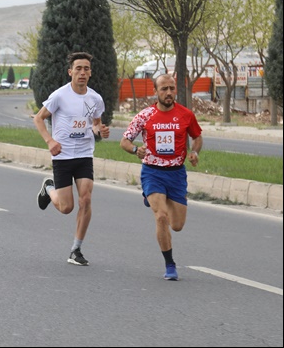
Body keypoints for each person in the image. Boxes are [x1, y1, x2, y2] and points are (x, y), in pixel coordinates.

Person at [120, 73, 203, 281]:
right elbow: (125, 141)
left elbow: (197, 137)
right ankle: (170, 264)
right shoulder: (145, 116)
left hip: (176, 174)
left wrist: (195, 153)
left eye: (172, 88)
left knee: (177, 225)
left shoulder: (186, 115)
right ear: (155, 92)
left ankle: (154, 197)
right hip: (152, 172)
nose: (168, 93)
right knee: (161, 217)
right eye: (164, 89)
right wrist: (135, 150)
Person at [33, 51, 110, 266]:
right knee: (66, 207)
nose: (82, 72)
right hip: (63, 156)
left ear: (90, 73)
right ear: (70, 72)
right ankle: (49, 187)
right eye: (78, 68)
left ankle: (76, 249)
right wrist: (50, 141)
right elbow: (39, 119)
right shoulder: (59, 95)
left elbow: (95, 123)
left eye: (86, 69)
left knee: (85, 199)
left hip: (85, 154)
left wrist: (99, 130)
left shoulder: (95, 99)